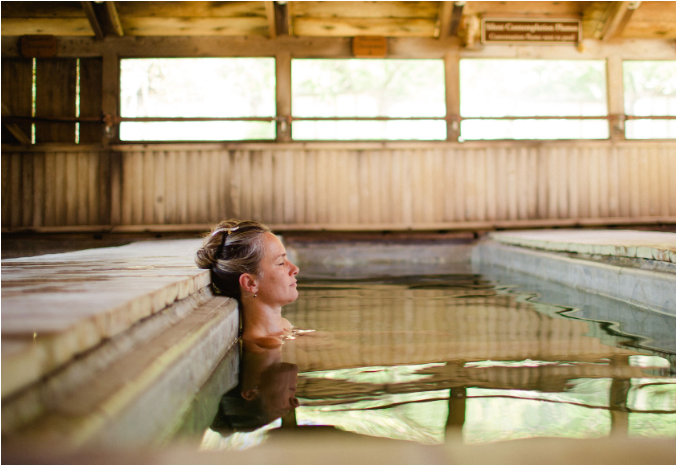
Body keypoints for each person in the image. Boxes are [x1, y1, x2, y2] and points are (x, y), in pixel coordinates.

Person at [195, 219, 299, 347]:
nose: (295, 269)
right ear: (250, 283)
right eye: (281, 263)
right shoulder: (267, 345)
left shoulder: (284, 326)